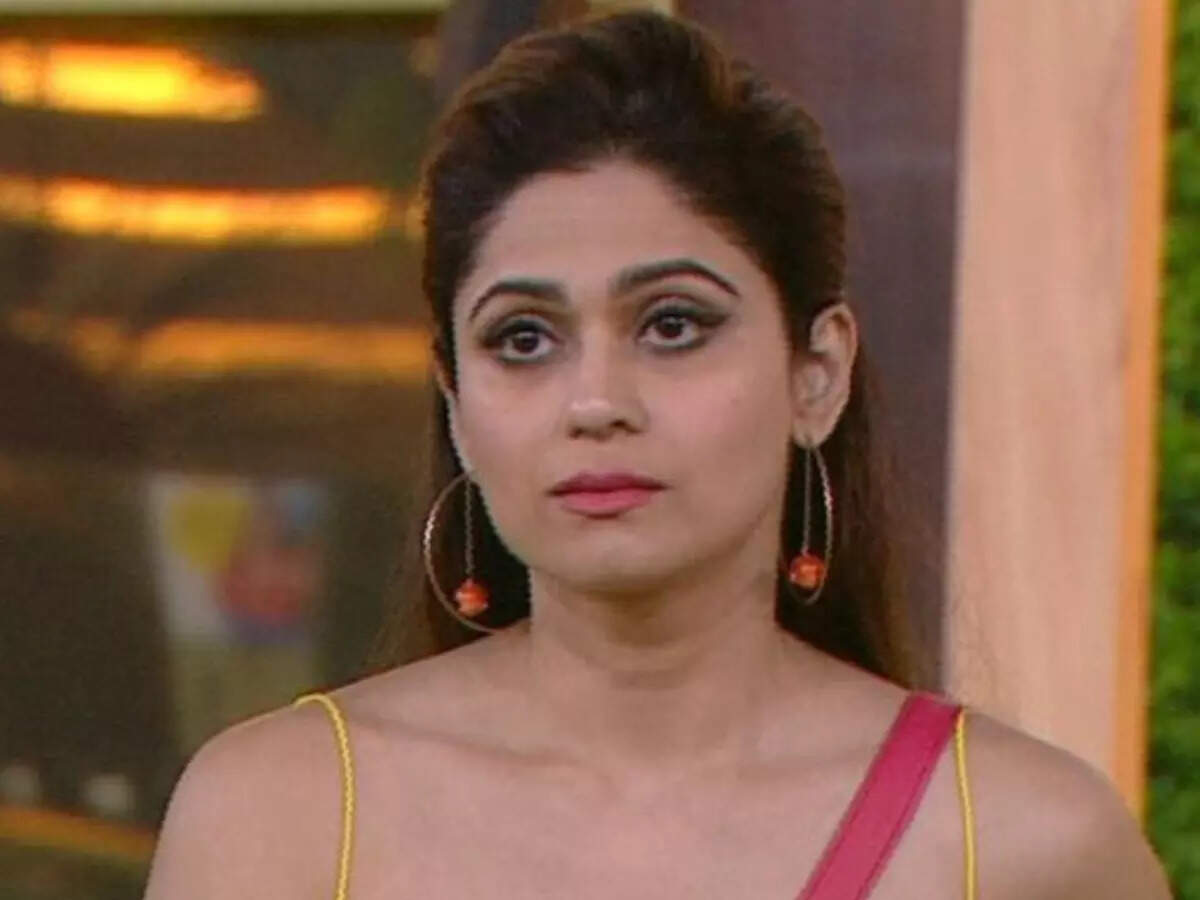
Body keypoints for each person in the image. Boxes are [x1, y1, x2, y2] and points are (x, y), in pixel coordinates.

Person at [143, 11, 1171, 899]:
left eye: (674, 325)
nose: (597, 402)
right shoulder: (282, 819)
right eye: (523, 339)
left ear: (817, 373)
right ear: (455, 404)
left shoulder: (1024, 843)